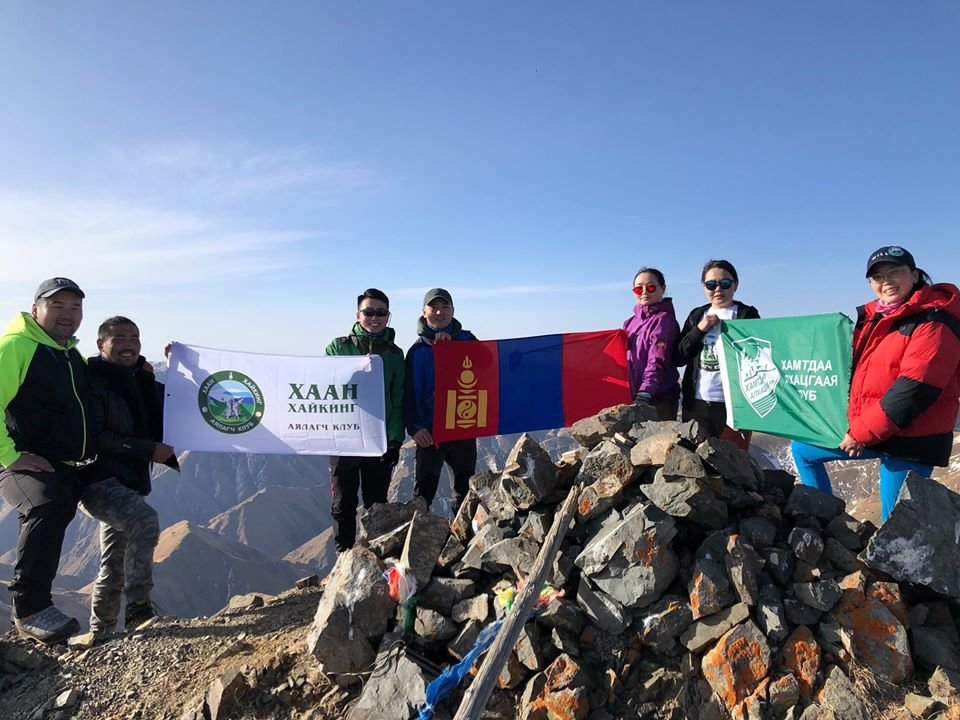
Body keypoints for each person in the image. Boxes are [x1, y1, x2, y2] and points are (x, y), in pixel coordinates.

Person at [791, 246, 960, 521]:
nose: (886, 281)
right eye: (878, 276)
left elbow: (915, 390)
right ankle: (828, 525)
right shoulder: (878, 319)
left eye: (895, 272)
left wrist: (861, 433)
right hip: (879, 430)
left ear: (914, 274)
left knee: (895, 522)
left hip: (912, 438)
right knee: (803, 450)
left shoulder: (934, 321)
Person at [0, 278, 92, 643]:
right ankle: (30, 609)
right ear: (35, 309)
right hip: (17, 460)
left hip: (61, 463)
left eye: (75, 307)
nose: (67, 314)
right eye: (57, 305)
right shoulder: (16, 347)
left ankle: (137, 605)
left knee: (76, 502)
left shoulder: (70, 354)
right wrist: (10, 456)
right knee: (47, 503)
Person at [78, 316, 179, 640]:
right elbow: (96, 436)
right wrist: (148, 450)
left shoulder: (139, 378)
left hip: (129, 482)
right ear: (101, 344)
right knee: (143, 520)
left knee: (114, 561)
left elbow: (178, 403)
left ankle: (101, 633)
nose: (129, 344)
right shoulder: (91, 381)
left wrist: (179, 368)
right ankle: (138, 607)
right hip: (96, 480)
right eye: (119, 338)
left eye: (134, 338)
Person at [325, 289, 405, 551]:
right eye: (369, 312)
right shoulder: (338, 347)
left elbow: (397, 399)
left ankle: (376, 556)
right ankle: (345, 558)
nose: (375, 317)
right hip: (343, 438)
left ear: (388, 316)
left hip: (376, 440)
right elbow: (325, 384)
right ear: (357, 315)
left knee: (376, 504)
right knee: (343, 504)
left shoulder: (394, 354)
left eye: (381, 313)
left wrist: (395, 440)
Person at [403, 288, 477, 514]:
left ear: (453, 310)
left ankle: (464, 534)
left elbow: (487, 366)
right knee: (423, 495)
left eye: (445, 307)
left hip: (462, 425)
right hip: (430, 433)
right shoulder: (417, 351)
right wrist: (415, 428)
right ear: (424, 311)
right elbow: (409, 393)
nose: (439, 312)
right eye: (433, 307)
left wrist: (454, 348)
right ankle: (418, 534)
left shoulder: (468, 340)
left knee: (466, 493)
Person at [675, 259, 760, 447]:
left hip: (735, 407)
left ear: (735, 285)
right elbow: (679, 356)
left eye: (725, 283)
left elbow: (760, 357)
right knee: (697, 460)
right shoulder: (697, 315)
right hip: (696, 405)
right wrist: (700, 329)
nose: (718, 289)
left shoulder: (746, 315)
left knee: (734, 461)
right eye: (711, 284)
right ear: (704, 287)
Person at [623, 267, 681, 421]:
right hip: (635, 396)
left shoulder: (664, 321)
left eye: (651, 287)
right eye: (638, 288)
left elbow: (658, 360)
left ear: (663, 288)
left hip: (658, 399)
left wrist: (645, 392)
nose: (644, 292)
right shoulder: (630, 323)